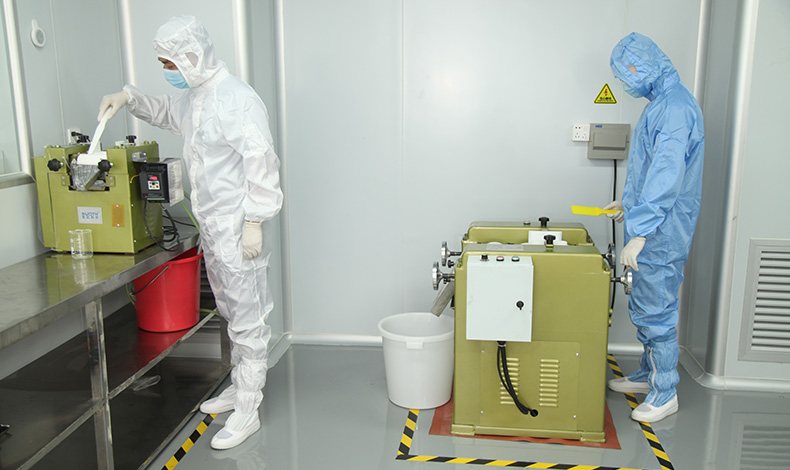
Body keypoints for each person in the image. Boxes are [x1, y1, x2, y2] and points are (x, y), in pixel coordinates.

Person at [98, 16, 283, 449]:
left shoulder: (237, 99)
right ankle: (240, 386)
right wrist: (129, 98)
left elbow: (261, 160)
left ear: (192, 56)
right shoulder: (196, 98)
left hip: (239, 229)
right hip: (213, 228)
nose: (167, 70)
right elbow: (167, 112)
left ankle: (248, 408)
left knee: (249, 317)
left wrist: (254, 221)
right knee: (230, 312)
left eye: (170, 63)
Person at [603, 32, 704, 423]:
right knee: (645, 302)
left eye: (624, 74)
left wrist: (642, 230)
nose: (624, 83)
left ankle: (665, 391)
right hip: (652, 225)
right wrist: (628, 205)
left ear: (639, 66)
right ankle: (648, 373)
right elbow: (649, 170)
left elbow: (666, 174)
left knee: (656, 307)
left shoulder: (675, 109)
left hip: (662, 232)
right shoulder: (660, 104)